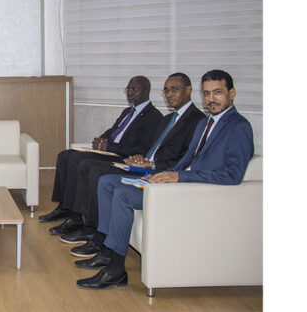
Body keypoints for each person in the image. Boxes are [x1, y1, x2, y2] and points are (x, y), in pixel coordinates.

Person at [75, 69, 254, 290]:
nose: (211, 99)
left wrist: (179, 176)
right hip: (176, 182)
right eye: (207, 93)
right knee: (108, 182)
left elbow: (233, 175)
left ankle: (116, 269)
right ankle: (105, 249)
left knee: (122, 194)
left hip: (192, 190)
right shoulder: (205, 123)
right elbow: (186, 159)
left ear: (232, 93)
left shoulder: (238, 126)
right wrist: (160, 173)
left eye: (217, 92)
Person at [63, 73, 206, 251]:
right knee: (86, 166)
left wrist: (152, 164)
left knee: (95, 170)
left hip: (159, 173)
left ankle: (97, 236)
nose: (169, 94)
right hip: (142, 165)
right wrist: (141, 159)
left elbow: (185, 160)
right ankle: (94, 232)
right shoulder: (168, 119)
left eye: (174, 89)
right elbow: (152, 149)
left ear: (189, 90)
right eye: (166, 90)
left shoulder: (198, 121)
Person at [39, 76, 162, 234]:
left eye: (133, 89)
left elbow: (142, 149)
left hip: (122, 157)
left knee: (78, 160)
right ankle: (65, 207)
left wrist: (109, 146)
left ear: (145, 91)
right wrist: (101, 140)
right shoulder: (128, 111)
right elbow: (113, 131)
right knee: (65, 156)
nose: (129, 93)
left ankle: (77, 218)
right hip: (109, 151)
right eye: (128, 89)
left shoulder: (154, 117)